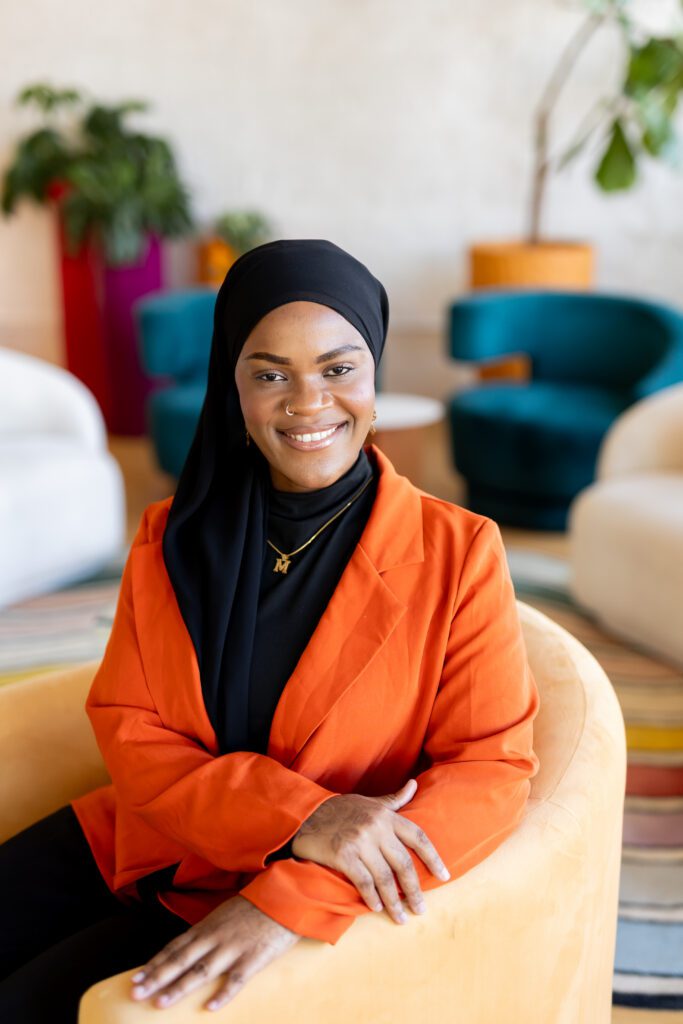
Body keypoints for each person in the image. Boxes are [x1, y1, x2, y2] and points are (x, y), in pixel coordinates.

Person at [0, 239, 540, 1020]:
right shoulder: (172, 533)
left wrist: (295, 895)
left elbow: (489, 771)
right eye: (269, 374)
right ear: (235, 389)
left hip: (248, 890)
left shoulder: (457, 552)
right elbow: (132, 732)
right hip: (141, 839)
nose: (307, 401)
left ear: (375, 377)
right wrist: (309, 814)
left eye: (338, 368)